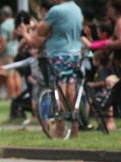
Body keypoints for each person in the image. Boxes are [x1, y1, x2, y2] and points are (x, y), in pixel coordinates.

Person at [37, 0, 83, 138]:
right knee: (71, 88)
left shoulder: (56, 11)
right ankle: (74, 127)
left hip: (58, 53)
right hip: (75, 53)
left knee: (59, 88)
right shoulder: (76, 8)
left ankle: (60, 128)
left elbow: (40, 31)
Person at [0, 5, 22, 100]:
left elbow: (3, 42)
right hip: (18, 51)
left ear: (3, 15)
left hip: (8, 53)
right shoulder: (16, 22)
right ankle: (18, 94)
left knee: (9, 75)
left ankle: (11, 96)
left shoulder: (4, 25)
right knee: (17, 74)